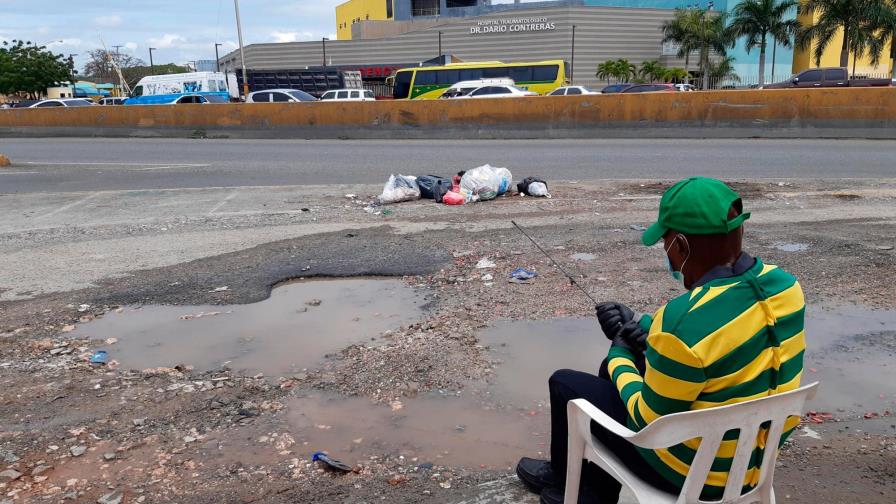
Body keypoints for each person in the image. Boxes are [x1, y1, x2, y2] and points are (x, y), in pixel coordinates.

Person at [516, 177, 806, 503]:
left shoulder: (680, 320)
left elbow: (644, 420)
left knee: (566, 384)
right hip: (753, 464)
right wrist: (639, 323)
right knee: (615, 373)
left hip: (692, 475)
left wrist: (620, 353)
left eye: (666, 243)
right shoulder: (785, 288)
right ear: (738, 230)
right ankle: (587, 485)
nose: (667, 253)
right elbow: (718, 336)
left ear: (681, 246)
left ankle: (570, 483)